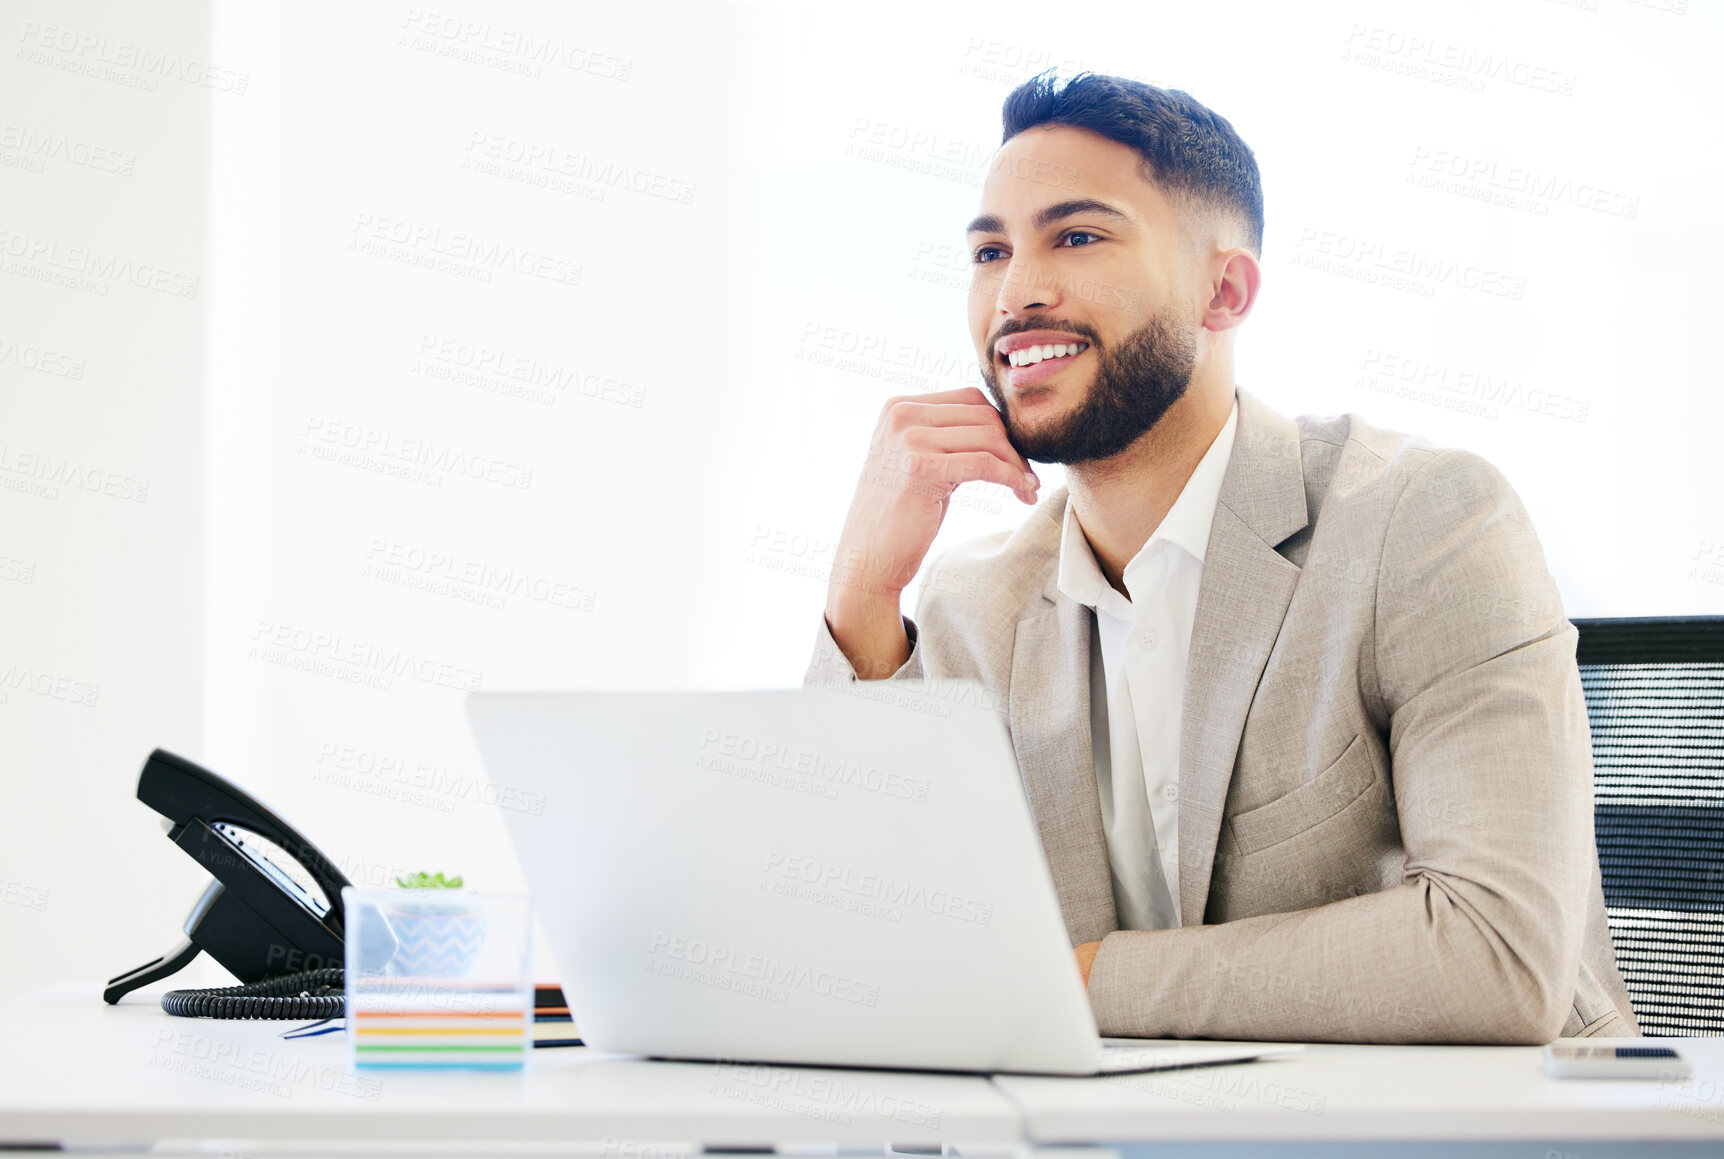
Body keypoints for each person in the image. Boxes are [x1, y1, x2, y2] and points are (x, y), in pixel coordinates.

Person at [804, 71, 1636, 1043]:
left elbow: (1494, 955)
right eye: (989, 250)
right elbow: (867, 949)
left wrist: (1075, 980)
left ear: (1223, 288)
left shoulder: (1424, 522)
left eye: (1075, 236)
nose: (1016, 291)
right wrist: (863, 591)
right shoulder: (970, 601)